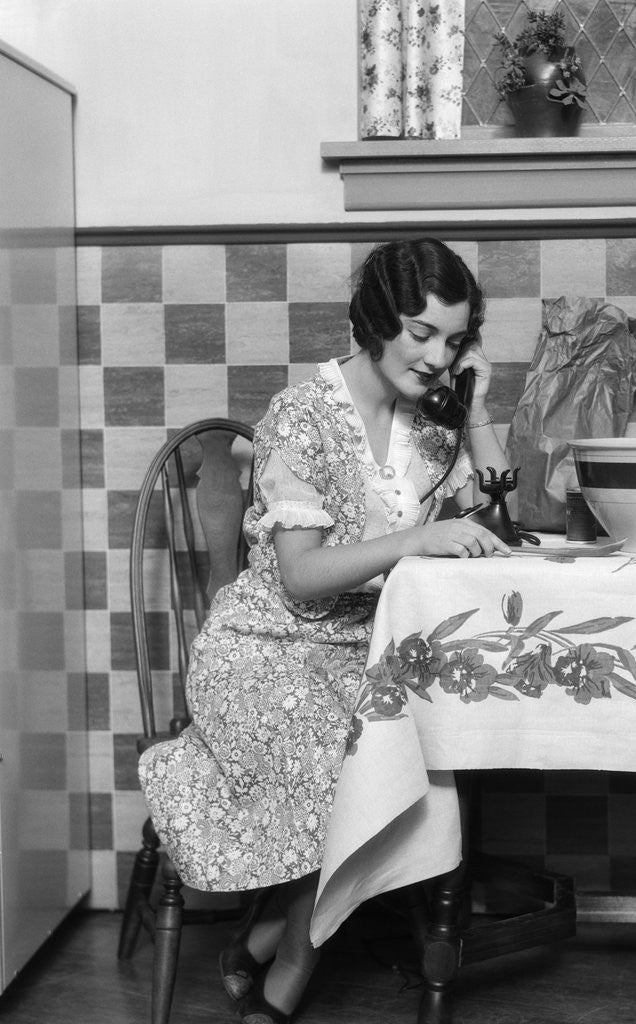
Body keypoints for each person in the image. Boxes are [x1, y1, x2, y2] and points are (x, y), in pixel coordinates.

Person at [138, 237, 513, 1024]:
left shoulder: (434, 428)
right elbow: (303, 575)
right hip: (264, 646)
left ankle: (265, 932)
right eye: (421, 333)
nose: (439, 356)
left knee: (415, 744)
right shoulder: (301, 416)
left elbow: (496, 514)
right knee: (342, 757)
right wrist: (414, 538)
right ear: (376, 319)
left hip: (365, 648)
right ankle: (294, 966)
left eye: (454, 339)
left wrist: (475, 412)